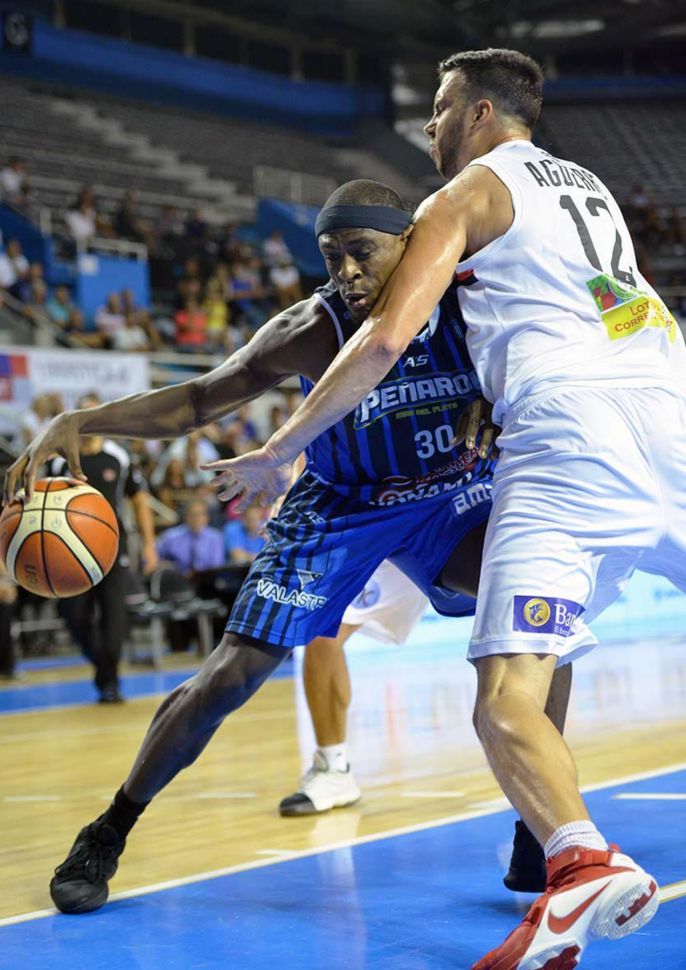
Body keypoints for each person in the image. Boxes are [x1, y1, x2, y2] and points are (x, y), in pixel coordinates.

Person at [4, 179, 580, 920]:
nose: (346, 271)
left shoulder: (472, 304)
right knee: (230, 676)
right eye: (332, 256)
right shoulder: (313, 326)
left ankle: (538, 826)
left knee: (538, 613)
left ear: (410, 242)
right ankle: (108, 829)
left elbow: (550, 368)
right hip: (340, 508)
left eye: (361, 251)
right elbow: (199, 399)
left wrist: (498, 409)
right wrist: (85, 421)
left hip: (447, 496)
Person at [215, 50, 674, 969]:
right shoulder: (590, 189)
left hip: (568, 434)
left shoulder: (460, 196)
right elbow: (607, 308)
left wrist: (280, 447)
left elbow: (385, 337)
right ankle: (558, 872)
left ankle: (580, 865)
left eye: (439, 108)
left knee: (504, 698)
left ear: (479, 113)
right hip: (669, 412)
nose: (429, 125)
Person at [280, 557, 428, 817]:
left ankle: (333, 766)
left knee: (324, 628)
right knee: (323, 629)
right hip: (385, 548)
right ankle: (333, 766)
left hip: (421, 541)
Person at [51, 393, 159, 703]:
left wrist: (149, 545)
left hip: (113, 548)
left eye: (94, 413)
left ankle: (109, 683)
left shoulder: (118, 457)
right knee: (73, 616)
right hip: (70, 551)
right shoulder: (60, 460)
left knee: (115, 619)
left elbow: (139, 500)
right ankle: (104, 670)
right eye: (83, 414)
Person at [157, 498, 225, 573]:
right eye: (193, 515)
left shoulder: (215, 537)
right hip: (178, 576)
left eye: (201, 514)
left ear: (207, 517)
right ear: (186, 517)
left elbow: (217, 565)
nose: (197, 518)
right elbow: (154, 558)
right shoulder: (170, 537)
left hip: (206, 577)